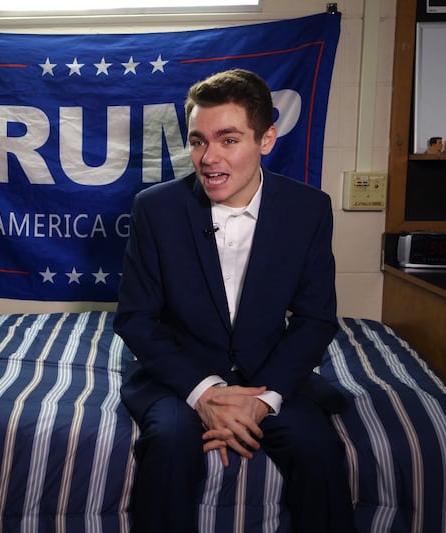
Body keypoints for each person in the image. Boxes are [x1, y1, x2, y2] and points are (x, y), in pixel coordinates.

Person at [114, 69, 354, 532]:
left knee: (318, 449)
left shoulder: (309, 208)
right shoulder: (155, 208)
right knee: (169, 443)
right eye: (198, 141)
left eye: (228, 140)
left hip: (267, 373)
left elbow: (315, 319)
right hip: (179, 374)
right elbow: (136, 319)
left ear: (267, 139)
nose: (209, 158)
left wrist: (262, 401)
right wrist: (205, 393)